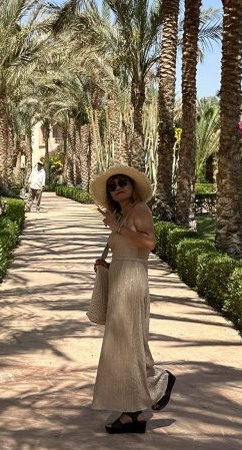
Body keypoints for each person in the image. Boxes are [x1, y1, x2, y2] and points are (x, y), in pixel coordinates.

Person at [89, 164, 176, 434]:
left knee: (129, 344)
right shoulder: (121, 215)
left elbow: (149, 243)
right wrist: (107, 266)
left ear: (132, 186)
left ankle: (145, 399)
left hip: (133, 283)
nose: (117, 188)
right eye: (112, 186)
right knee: (121, 346)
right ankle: (136, 409)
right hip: (119, 281)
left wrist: (117, 227)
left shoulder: (140, 210)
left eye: (121, 183)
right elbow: (125, 252)